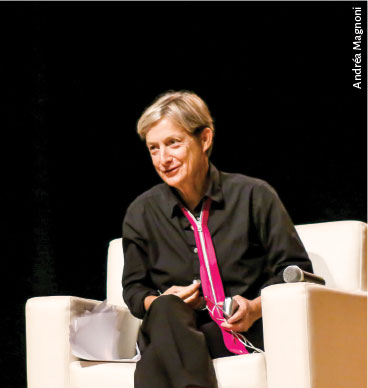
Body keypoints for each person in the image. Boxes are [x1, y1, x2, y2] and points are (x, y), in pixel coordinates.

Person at [122, 90, 313, 388]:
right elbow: (134, 290)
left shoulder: (254, 195)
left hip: (243, 331)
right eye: (153, 148)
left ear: (205, 139)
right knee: (166, 310)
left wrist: (254, 307)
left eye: (173, 143)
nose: (163, 159)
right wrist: (158, 301)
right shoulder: (141, 212)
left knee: (160, 358)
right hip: (174, 327)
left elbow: (295, 272)